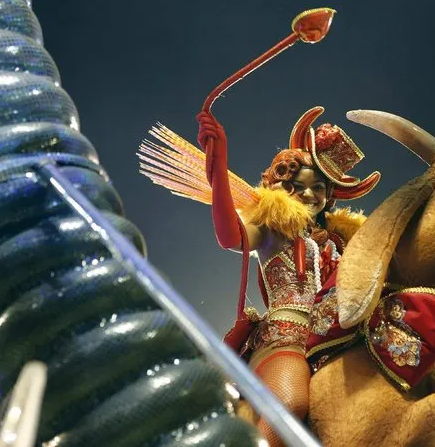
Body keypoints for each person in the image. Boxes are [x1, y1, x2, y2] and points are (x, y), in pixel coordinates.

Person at [139, 105, 380, 446]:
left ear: (330, 196)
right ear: (282, 187)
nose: (309, 194)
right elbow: (230, 237)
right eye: (298, 186)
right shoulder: (274, 226)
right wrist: (218, 168)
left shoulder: (342, 243)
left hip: (336, 338)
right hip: (286, 337)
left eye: (319, 188)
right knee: (290, 402)